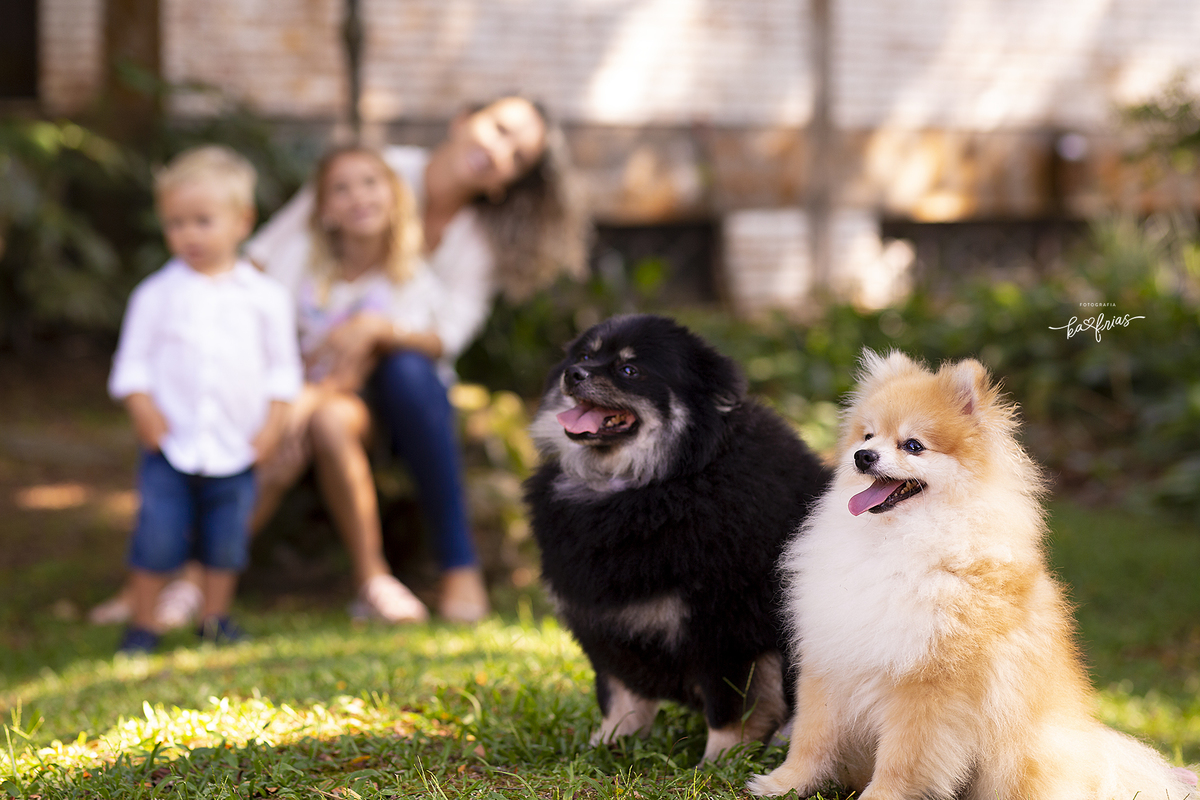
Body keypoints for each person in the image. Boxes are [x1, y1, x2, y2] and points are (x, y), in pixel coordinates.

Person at [245, 96, 587, 623]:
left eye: (516, 156)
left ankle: (457, 564)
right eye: (498, 128)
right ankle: (192, 577)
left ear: (506, 184)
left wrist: (377, 330)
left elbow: (447, 336)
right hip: (313, 364)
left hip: (403, 388)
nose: (498, 151)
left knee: (407, 369)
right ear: (460, 119)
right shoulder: (376, 174)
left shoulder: (472, 242)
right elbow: (271, 252)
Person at [107, 145, 303, 654]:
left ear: (242, 221)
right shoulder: (155, 295)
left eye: (202, 221)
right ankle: (143, 624)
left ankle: (214, 619)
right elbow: (132, 366)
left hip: (236, 446)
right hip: (170, 446)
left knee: (226, 539)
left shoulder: (265, 298)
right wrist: (144, 411)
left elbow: (283, 372)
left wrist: (272, 428)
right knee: (157, 534)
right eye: (175, 223)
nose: (188, 234)